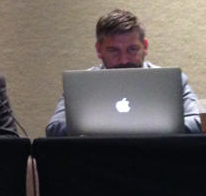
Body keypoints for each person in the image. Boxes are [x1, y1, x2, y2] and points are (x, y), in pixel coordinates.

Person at [45, 9, 200, 136]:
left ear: (144, 46)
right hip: (100, 161)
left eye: (132, 49)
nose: (124, 60)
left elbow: (197, 122)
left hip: (156, 159)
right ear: (99, 50)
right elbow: (54, 128)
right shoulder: (83, 84)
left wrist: (136, 127)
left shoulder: (171, 81)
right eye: (113, 51)